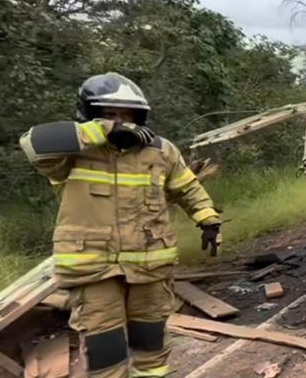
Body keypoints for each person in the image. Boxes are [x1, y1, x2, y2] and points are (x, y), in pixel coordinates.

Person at [18, 73, 222, 378]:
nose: (120, 121)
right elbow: (32, 143)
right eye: (110, 114)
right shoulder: (70, 153)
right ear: (91, 114)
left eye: (126, 115)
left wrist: (208, 218)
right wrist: (103, 131)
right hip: (94, 270)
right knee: (105, 349)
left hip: (150, 266)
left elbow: (186, 187)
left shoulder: (160, 150)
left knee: (151, 342)